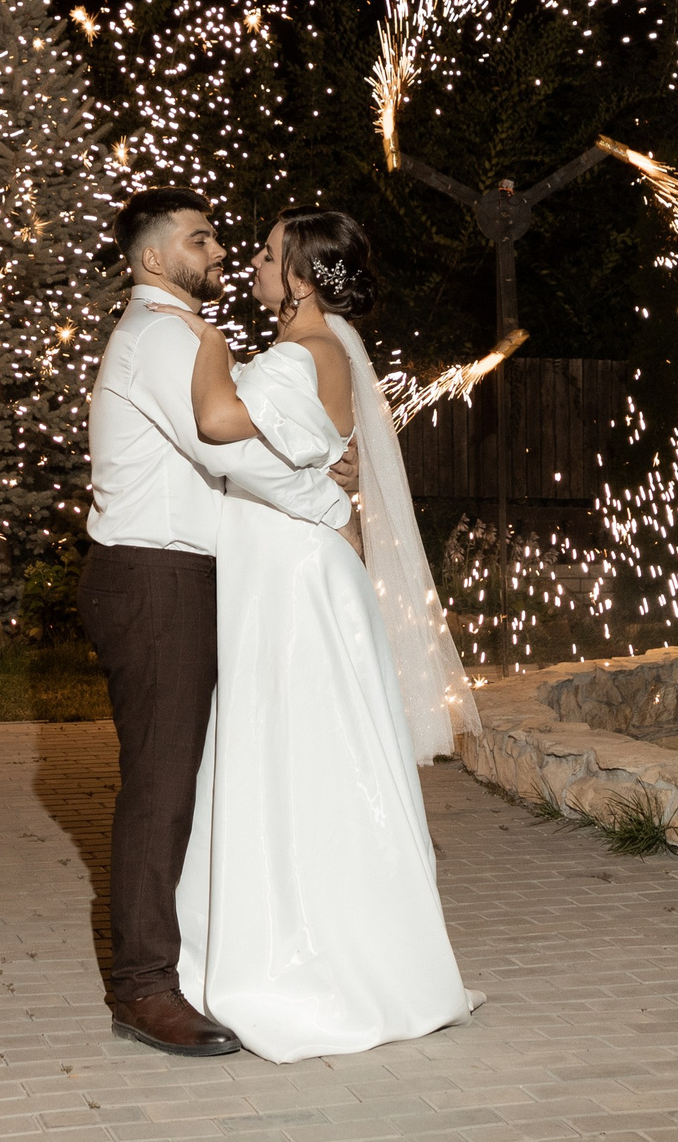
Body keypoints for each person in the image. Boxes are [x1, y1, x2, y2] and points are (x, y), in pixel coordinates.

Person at [147, 206, 481, 1063]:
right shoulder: (320, 351)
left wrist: (205, 344)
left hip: (292, 579)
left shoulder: (300, 356)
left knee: (293, 754)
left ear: (300, 276)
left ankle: (304, 958)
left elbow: (221, 434)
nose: (253, 264)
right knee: (302, 751)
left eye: (267, 255)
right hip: (291, 568)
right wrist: (331, 491)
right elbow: (295, 460)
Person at [83, 188, 361, 1056]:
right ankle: (143, 988)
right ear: (152, 258)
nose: (218, 250)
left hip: (178, 575)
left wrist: (322, 466)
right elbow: (225, 446)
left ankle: (184, 962)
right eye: (198, 239)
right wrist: (328, 497)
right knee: (161, 787)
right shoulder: (164, 335)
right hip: (155, 576)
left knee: (183, 783)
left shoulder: (181, 332)